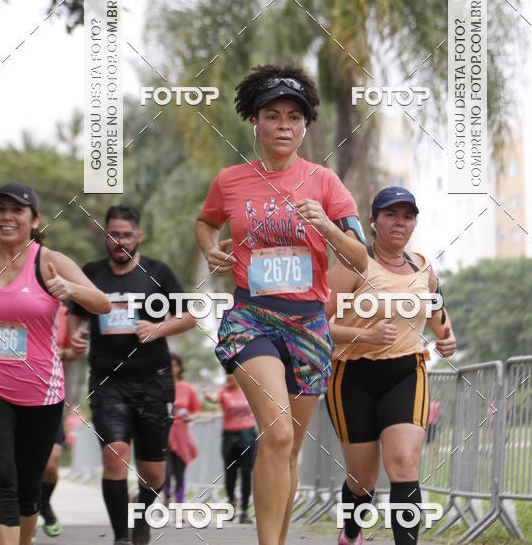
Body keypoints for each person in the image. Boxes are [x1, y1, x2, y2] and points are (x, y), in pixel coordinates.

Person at [195, 65, 368, 545]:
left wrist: (329, 228)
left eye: (295, 116)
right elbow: (206, 222)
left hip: (310, 324)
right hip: (252, 317)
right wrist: (211, 246)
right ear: (255, 121)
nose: (284, 125)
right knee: (277, 435)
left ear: (306, 125)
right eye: (273, 115)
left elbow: (360, 259)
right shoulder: (230, 181)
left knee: (287, 449)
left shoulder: (325, 182)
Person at [325, 187, 456, 545]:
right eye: (391, 215)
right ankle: (351, 530)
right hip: (352, 376)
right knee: (362, 479)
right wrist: (363, 336)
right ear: (374, 221)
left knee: (404, 464)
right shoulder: (354, 264)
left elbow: (438, 315)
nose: (400, 223)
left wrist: (447, 338)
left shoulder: (422, 266)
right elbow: (314, 324)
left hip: (406, 372)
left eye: (407, 216)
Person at [0, 181, 111, 545]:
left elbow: (102, 303)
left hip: (40, 391)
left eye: (17, 210)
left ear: (34, 218)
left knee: (28, 484)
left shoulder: (50, 261)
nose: (7, 217)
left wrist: (71, 291)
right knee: (2, 476)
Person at [68, 205, 196, 545]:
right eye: (113, 234)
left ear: (138, 236)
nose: (119, 241)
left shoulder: (158, 272)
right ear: (105, 236)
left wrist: (158, 328)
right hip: (108, 381)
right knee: (114, 456)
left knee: (154, 473)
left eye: (126, 234)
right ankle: (121, 537)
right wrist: (77, 336)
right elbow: (76, 316)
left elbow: (190, 315)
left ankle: (141, 514)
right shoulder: (91, 273)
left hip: (154, 380)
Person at [38, 305, 79, 538]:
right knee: (11, 465)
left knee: (50, 463)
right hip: (4, 394)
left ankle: (43, 503)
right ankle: (24, 518)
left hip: (48, 395)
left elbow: (75, 351)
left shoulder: (63, 313)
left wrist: (53, 352)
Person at [203, 372, 258, 523]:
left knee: (246, 474)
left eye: (232, 374)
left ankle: (245, 511)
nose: (229, 377)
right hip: (229, 437)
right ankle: (231, 505)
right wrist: (207, 395)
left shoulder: (248, 389)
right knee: (230, 474)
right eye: (227, 375)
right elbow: (213, 399)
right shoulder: (223, 392)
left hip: (248, 435)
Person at [161, 354, 201, 506]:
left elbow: (196, 409)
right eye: (169, 365)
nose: (172, 369)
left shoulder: (187, 388)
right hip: (164, 434)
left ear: (180, 368)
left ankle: (179, 505)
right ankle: (166, 498)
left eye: (175, 365)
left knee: (180, 473)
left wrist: (191, 417)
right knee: (166, 472)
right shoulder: (161, 386)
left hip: (181, 435)